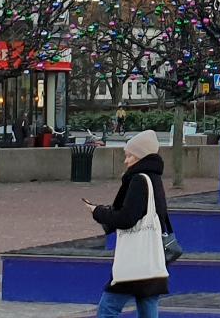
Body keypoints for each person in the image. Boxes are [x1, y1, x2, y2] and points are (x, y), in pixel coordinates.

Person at [86, 130, 171, 317]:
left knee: (108, 308)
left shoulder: (139, 180)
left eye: (129, 155)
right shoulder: (155, 179)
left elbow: (126, 219)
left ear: (139, 156)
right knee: (148, 308)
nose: (126, 161)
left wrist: (98, 212)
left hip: (134, 262)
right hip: (152, 264)